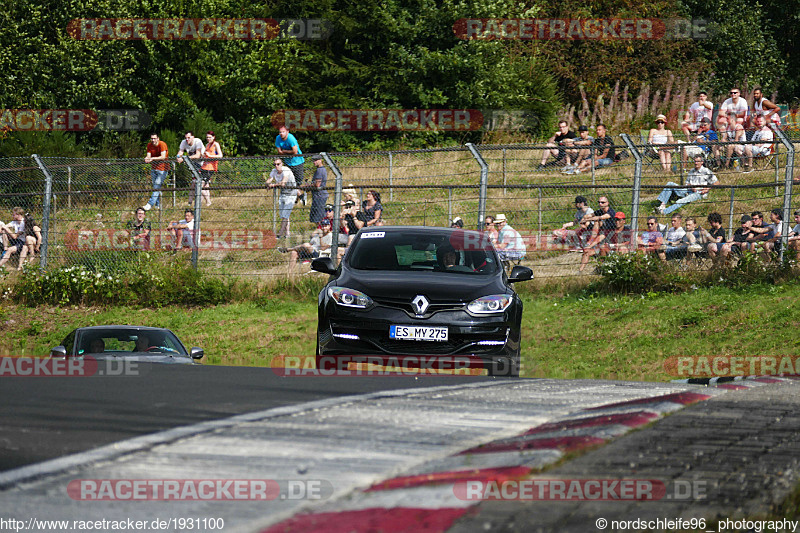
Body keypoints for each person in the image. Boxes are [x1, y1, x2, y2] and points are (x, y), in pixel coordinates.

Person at [267, 158, 298, 239]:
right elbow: (268, 180)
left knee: (285, 215)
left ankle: (280, 234)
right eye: (275, 164)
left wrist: (273, 185)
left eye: (278, 164)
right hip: (283, 193)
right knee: (283, 215)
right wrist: (268, 184)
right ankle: (287, 234)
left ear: (282, 164)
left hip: (291, 193)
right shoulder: (274, 171)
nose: (276, 166)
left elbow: (283, 183)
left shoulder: (286, 170)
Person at [275, 125, 305, 203]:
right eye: (280, 132)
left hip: (297, 162)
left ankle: (298, 197)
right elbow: (279, 151)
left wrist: (285, 151)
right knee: (289, 181)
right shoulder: (278, 138)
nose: (281, 134)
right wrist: (287, 152)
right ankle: (299, 196)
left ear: (287, 132)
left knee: (298, 182)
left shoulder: (291, 138)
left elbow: (295, 151)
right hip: (287, 162)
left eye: (283, 132)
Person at [176, 131, 206, 205]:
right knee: (195, 183)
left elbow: (198, 155)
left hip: (203, 164)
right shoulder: (183, 142)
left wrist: (185, 158)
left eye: (189, 137)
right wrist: (178, 158)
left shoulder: (198, 141)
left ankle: (204, 202)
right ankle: (192, 202)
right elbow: (180, 152)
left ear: (193, 137)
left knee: (200, 184)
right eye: (186, 138)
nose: (187, 139)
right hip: (193, 164)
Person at [143, 132, 169, 211]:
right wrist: (147, 158)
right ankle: (157, 205)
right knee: (156, 187)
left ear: (158, 138)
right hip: (154, 168)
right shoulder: (149, 145)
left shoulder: (162, 144)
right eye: (152, 138)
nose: (153, 140)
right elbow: (148, 155)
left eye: (154, 138)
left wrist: (152, 159)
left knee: (157, 186)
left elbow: (163, 156)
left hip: (163, 169)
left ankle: (150, 204)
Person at [198, 131, 222, 207]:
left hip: (210, 168)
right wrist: (204, 155)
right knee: (205, 186)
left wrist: (210, 155)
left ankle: (208, 201)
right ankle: (201, 203)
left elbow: (220, 155)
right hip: (204, 167)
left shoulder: (216, 144)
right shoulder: (207, 145)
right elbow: (206, 155)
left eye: (210, 137)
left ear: (213, 137)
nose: (208, 139)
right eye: (207, 137)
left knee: (200, 184)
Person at [306, 154, 329, 224]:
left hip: (319, 196)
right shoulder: (322, 169)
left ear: (320, 160)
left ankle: (320, 230)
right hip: (319, 195)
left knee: (319, 217)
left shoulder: (320, 170)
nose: (314, 162)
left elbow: (317, 184)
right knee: (316, 215)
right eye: (313, 160)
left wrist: (308, 186)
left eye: (316, 160)